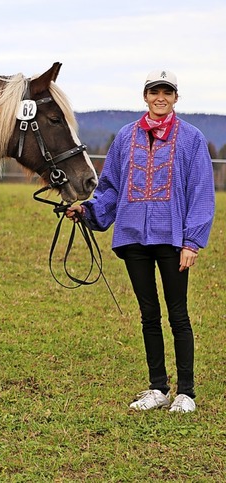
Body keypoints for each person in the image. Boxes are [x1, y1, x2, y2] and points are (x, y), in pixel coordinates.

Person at [66, 69, 215, 413]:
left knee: (178, 315)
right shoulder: (124, 137)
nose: (160, 97)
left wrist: (191, 242)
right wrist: (88, 212)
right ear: (145, 96)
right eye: (154, 91)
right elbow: (111, 189)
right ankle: (158, 388)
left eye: (167, 92)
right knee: (149, 314)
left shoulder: (191, 139)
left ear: (176, 97)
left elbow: (201, 193)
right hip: (133, 237)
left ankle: (186, 392)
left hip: (172, 239)